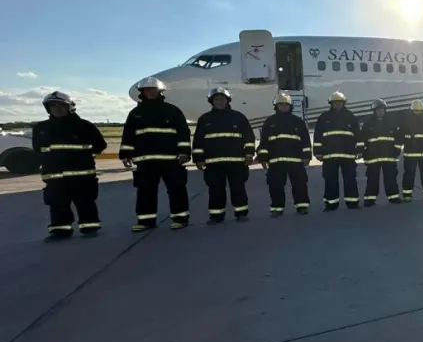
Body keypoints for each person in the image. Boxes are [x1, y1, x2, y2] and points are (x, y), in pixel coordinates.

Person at [32, 91, 107, 241]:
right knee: (57, 204)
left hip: (82, 175)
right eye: (53, 106)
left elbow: (100, 145)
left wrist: (83, 157)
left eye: (61, 105)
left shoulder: (85, 126)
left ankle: (89, 228)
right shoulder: (40, 128)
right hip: (54, 176)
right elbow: (38, 149)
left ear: (70, 107)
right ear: (48, 109)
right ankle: (60, 231)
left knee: (85, 202)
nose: (57, 109)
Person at [120, 76, 191, 232]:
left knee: (176, 189)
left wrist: (184, 152)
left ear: (160, 91)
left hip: (171, 160)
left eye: (153, 89)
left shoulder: (172, 111)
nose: (150, 92)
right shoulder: (135, 113)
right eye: (147, 90)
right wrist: (125, 154)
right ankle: (145, 221)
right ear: (142, 92)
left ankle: (180, 219)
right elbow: (128, 136)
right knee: (145, 191)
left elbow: (183, 133)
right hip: (145, 161)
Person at [192, 87, 256, 223]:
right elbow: (198, 141)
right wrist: (198, 159)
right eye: (217, 99)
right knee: (215, 190)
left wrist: (249, 154)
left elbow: (249, 138)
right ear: (211, 101)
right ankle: (216, 216)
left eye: (222, 99)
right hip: (213, 163)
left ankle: (241, 213)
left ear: (228, 100)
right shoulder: (205, 119)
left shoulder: (238, 117)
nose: (220, 101)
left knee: (238, 189)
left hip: (236, 162)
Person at [257, 92, 312, 215]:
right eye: (281, 104)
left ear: (290, 106)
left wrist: (307, 156)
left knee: (299, 185)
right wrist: (263, 157)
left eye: (286, 105)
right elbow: (264, 141)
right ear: (276, 106)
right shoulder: (269, 122)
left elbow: (305, 140)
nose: (283, 107)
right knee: (275, 185)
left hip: (295, 161)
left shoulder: (298, 121)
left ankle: (302, 206)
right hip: (275, 161)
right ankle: (277, 208)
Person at [314, 91, 361, 210]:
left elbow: (358, 135)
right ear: (331, 103)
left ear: (344, 103)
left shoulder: (350, 117)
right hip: (329, 156)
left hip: (348, 155)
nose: (338, 104)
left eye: (340, 102)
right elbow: (318, 136)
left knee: (350, 180)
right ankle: (331, 204)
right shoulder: (324, 117)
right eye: (335, 102)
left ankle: (352, 203)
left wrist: (360, 150)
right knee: (330, 180)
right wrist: (317, 152)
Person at [358, 98, 402, 205]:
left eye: (382, 109)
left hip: (389, 156)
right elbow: (362, 139)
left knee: (391, 178)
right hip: (373, 157)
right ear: (374, 111)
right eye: (378, 110)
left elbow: (398, 138)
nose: (381, 112)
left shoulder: (391, 123)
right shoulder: (368, 124)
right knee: (372, 179)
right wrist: (362, 152)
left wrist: (397, 150)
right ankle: (370, 199)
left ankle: (393, 197)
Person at [401, 99, 423, 201]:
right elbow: (400, 136)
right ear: (412, 111)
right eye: (416, 111)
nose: (418, 113)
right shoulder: (406, 122)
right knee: (409, 174)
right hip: (411, 154)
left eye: (419, 111)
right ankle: (407, 194)